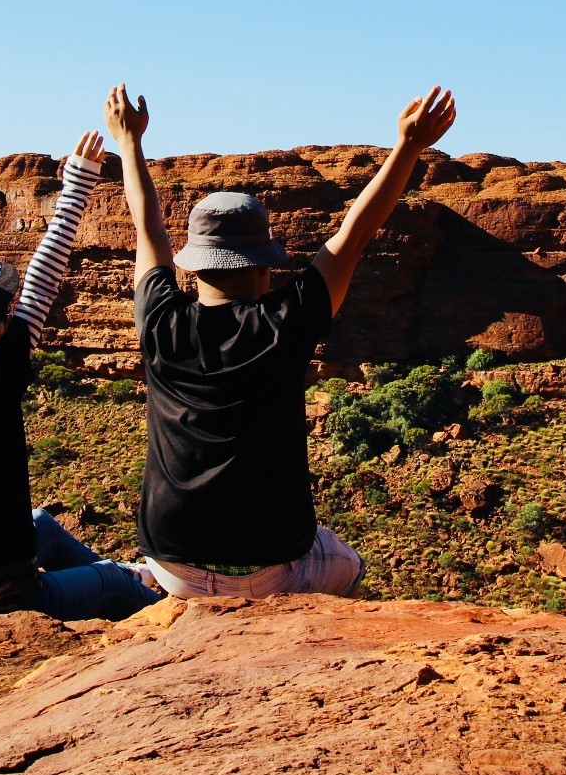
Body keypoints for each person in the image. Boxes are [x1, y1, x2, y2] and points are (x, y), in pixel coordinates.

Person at [103, 82, 458, 599]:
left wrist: (129, 143)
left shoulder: (159, 320)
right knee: (349, 565)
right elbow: (354, 234)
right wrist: (408, 147)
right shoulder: (287, 321)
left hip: (172, 565)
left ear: (193, 264)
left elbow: (148, 231)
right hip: (270, 570)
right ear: (265, 269)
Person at [0, 133, 158, 625]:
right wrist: (78, 180)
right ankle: (173, 612)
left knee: (41, 525)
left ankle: (128, 570)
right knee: (111, 583)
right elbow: (43, 276)